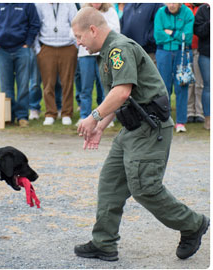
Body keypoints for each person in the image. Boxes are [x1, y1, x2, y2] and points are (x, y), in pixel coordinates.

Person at [72, 7, 209, 262]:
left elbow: (122, 91)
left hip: (150, 128)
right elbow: (119, 96)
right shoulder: (108, 52)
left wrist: (93, 118)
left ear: (93, 30)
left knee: (145, 188)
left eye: (79, 36)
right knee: (110, 184)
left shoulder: (118, 49)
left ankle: (193, 224)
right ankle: (104, 243)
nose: (78, 42)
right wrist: (102, 127)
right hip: (132, 128)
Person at [0, 3, 40, 128]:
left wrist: (27, 43)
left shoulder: (28, 5)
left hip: (22, 49)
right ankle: (8, 116)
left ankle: (22, 116)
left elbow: (34, 24)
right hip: (2, 51)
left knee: (23, 85)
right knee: (6, 86)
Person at [76, 3, 120, 127]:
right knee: (86, 87)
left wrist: (97, 28)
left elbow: (115, 30)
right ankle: (84, 115)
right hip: (86, 55)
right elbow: (75, 31)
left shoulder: (110, 12)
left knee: (104, 86)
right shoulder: (82, 12)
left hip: (104, 53)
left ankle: (105, 117)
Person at [34, 3, 77, 126]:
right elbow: (36, 25)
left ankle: (66, 113)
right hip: (47, 46)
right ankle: (50, 113)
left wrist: (75, 46)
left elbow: (75, 24)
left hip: (67, 46)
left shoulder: (70, 4)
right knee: (48, 83)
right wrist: (38, 49)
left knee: (67, 82)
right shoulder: (39, 5)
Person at [154, 4, 195, 133]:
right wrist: (178, 35)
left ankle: (181, 122)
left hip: (182, 53)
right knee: (163, 87)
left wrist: (171, 32)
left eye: (174, 2)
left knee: (182, 86)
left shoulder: (187, 13)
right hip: (163, 53)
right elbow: (158, 35)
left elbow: (187, 37)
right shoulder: (160, 13)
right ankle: (164, 120)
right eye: (169, 2)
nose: (171, 5)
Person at [185, 3, 204, 124]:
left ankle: (199, 111)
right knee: (188, 82)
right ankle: (189, 111)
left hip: (200, 49)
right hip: (186, 48)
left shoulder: (204, 7)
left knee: (199, 82)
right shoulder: (184, 7)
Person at [194, 4, 210, 130]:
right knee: (208, 87)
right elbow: (199, 32)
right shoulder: (203, 10)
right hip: (206, 54)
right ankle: (208, 119)